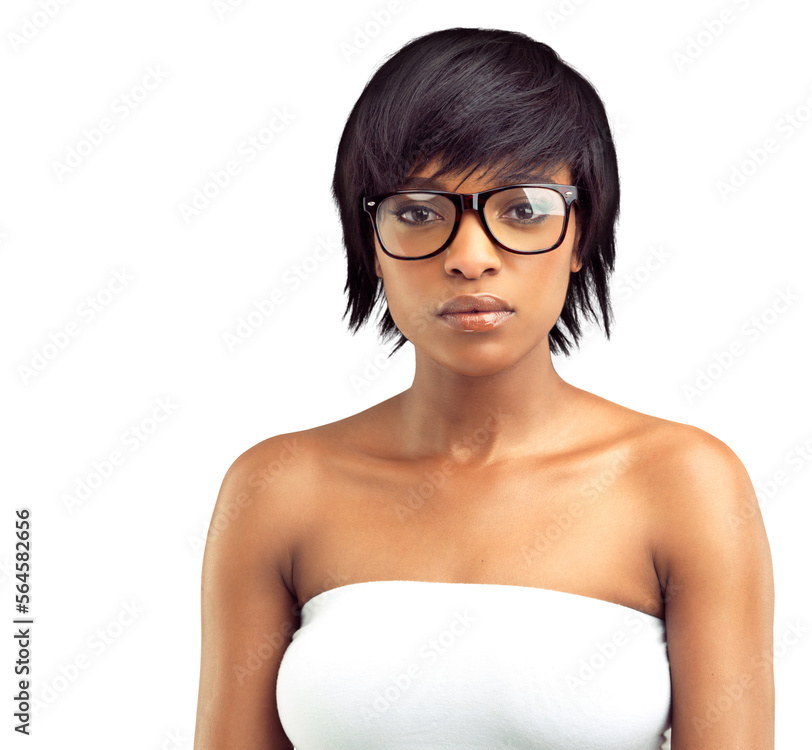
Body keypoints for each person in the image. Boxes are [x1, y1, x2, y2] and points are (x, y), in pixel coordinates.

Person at [193, 27, 774, 750]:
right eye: (417, 211)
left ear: (580, 231)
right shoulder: (279, 488)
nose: (471, 258)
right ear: (370, 240)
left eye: (523, 209)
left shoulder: (683, 483)